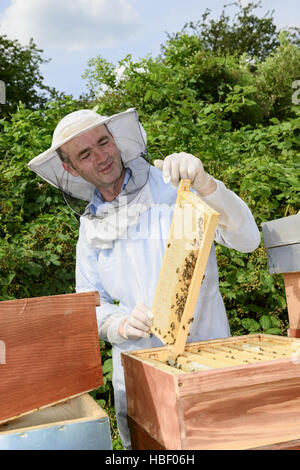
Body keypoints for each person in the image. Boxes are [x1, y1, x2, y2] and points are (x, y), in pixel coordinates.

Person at [28, 107, 260, 449]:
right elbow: (91, 305)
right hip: (140, 380)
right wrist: (118, 324)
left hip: (207, 360)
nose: (102, 156)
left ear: (116, 140)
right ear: (70, 167)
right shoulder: (90, 229)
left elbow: (247, 239)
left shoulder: (173, 185)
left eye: (104, 142)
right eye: (85, 154)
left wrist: (207, 184)